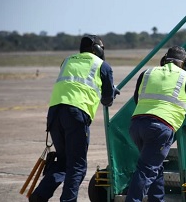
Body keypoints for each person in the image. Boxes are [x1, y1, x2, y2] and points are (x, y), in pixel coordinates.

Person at [29, 34, 119, 202]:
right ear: (98, 49)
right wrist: (112, 91)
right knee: (77, 166)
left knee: (63, 162)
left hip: (55, 113)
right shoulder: (102, 66)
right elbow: (107, 100)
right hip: (76, 114)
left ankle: (40, 195)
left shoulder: (67, 60)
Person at [125, 46, 186, 202]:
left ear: (164, 60)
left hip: (137, 125)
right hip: (160, 128)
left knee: (155, 166)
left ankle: (157, 199)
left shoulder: (147, 73)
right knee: (147, 170)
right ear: (185, 63)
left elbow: (137, 98)